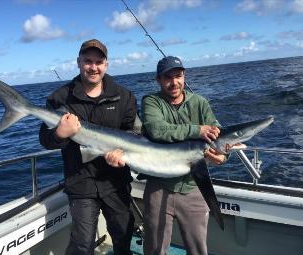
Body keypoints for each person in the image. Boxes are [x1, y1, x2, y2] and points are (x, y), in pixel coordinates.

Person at [39, 39, 137, 255]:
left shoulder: (124, 96)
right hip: (80, 181)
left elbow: (133, 133)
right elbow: (45, 140)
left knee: (123, 235)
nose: (93, 67)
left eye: (99, 62)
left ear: (106, 64)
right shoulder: (60, 98)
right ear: (78, 62)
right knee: (82, 245)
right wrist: (59, 134)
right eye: (88, 61)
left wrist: (122, 154)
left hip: (115, 180)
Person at [140, 56, 227, 255]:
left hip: (193, 187)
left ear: (184, 76)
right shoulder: (151, 101)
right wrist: (197, 131)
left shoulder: (200, 102)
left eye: (178, 76)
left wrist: (222, 157)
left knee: (198, 249)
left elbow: (220, 137)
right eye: (168, 77)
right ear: (158, 80)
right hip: (158, 187)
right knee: (154, 249)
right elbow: (157, 130)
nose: (174, 82)